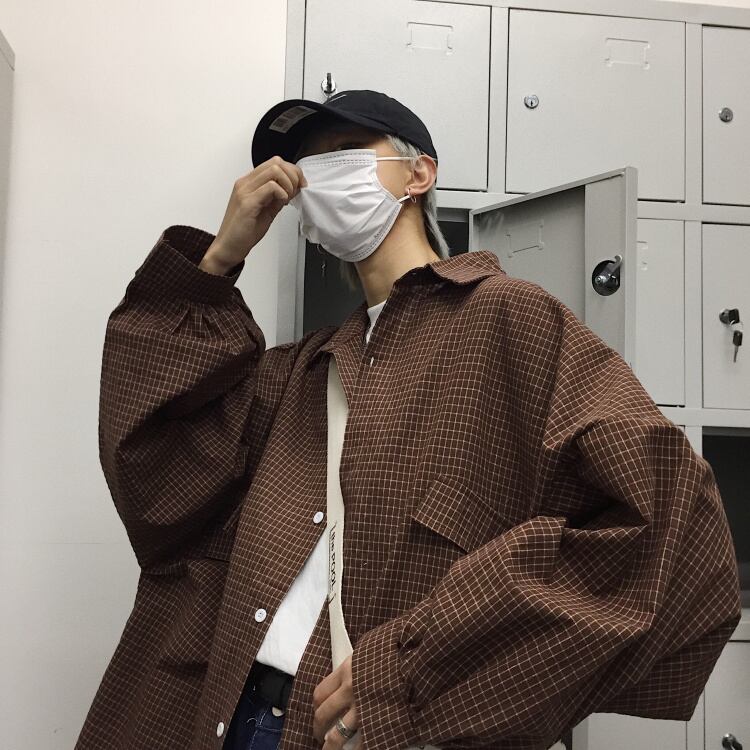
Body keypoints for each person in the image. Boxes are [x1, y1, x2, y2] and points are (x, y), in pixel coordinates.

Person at [75, 90, 742, 750]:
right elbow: (158, 477)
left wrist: (414, 671)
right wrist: (218, 262)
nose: (318, 174)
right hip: (236, 715)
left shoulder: (512, 319)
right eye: (306, 165)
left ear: (418, 173)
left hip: (371, 734)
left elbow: (673, 525)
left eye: (344, 150)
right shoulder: (300, 371)